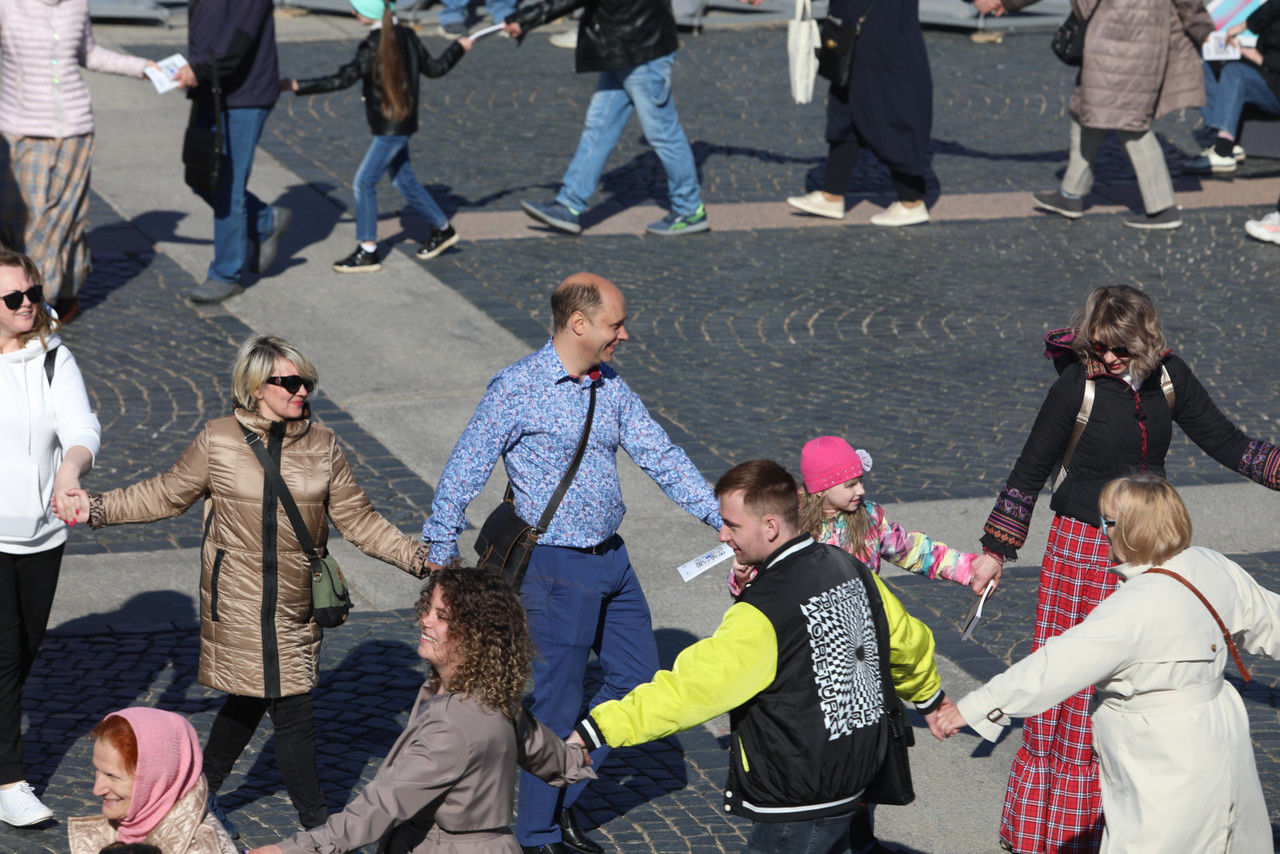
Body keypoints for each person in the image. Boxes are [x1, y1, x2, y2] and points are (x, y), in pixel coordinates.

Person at [57, 334, 431, 833]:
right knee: (291, 710)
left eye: (307, 382)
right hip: (235, 602)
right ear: (256, 387)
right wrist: (97, 507)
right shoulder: (219, 440)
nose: (303, 391)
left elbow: (360, 521)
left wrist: (421, 559)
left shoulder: (323, 447)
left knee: (250, 700)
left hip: (296, 605)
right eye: (291, 382)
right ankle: (320, 828)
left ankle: (187, 800)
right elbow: (166, 495)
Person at [966, 284, 1280, 853]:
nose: (1108, 358)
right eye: (1100, 346)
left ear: (1147, 340)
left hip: (1151, 543)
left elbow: (1229, 443)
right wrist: (996, 549)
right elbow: (1029, 471)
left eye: (1120, 348)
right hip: (1082, 546)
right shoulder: (1076, 387)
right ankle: (1059, 833)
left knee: (1141, 675)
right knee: (1073, 685)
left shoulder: (1169, 377)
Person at [420, 272, 722, 853]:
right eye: (616, 324)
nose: (625, 335)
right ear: (579, 323)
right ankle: (536, 833)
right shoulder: (517, 388)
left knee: (636, 680)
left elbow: (662, 455)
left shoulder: (610, 386)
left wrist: (721, 518)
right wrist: (440, 550)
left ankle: (559, 797)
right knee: (557, 699)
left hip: (614, 560)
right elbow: (464, 469)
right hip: (556, 569)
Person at [569, 459, 952, 854]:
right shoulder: (850, 566)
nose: (721, 536)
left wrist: (597, 729)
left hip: (798, 796)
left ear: (770, 526)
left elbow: (693, 688)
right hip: (858, 774)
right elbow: (908, 642)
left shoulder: (762, 611)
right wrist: (931, 699)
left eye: (731, 525)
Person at [938, 475, 1280, 852]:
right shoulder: (1211, 564)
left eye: (1108, 523)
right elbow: (1273, 621)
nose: (1104, 533)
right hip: (1223, 733)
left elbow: (1052, 667)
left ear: (1133, 529)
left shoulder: (1132, 607)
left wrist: (971, 709)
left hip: (1163, 754)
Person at [246, 568, 595, 854]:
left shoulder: (454, 725)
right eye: (428, 608)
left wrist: (292, 850)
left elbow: (382, 805)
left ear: (475, 636)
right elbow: (539, 746)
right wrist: (573, 759)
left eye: (440, 616)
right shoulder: (489, 696)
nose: (424, 621)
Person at [0, 249, 100, 828]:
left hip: (42, 535)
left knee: (24, 652)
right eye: (13, 298)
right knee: (3, 655)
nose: (27, 305)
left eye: (33, 293)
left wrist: (70, 471)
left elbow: (81, 426)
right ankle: (9, 778)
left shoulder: (52, 357)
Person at [976, 0, 1212, 230]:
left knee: (1129, 124)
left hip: (1118, 36)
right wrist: (1203, 29)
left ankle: (1163, 208)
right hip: (1140, 35)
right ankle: (1071, 193)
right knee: (1088, 110)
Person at [281, 0, 472, 274]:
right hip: (401, 123)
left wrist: (299, 85)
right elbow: (435, 68)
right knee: (403, 180)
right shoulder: (407, 35)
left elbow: (343, 78)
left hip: (390, 129)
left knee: (363, 182)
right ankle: (442, 229)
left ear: (368, 14)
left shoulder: (373, 44)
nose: (353, 12)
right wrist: (458, 48)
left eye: (356, 8)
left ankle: (368, 249)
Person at [0, 0, 157, 322]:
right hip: (21, 131)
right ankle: (45, 291)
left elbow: (89, 53)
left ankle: (37, 309)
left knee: (55, 223)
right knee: (21, 224)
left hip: (75, 132)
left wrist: (145, 68)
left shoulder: (76, 4)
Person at [504, 0, 709, 237]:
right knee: (599, 127)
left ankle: (690, 209)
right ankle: (570, 203)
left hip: (642, 48)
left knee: (663, 133)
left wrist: (529, 18)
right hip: (622, 45)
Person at [732, 436, 976, 595]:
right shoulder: (787, 525)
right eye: (850, 485)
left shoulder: (869, 518)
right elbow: (761, 584)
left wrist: (967, 569)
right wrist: (741, 580)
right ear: (821, 489)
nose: (861, 490)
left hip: (862, 626)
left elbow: (913, 551)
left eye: (860, 482)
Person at [175, 0, 292, 304]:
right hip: (209, 89)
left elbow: (237, 40)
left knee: (228, 186)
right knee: (200, 176)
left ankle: (226, 274)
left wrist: (197, 70)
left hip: (245, 97)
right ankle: (266, 220)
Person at [785, 0, 934, 227]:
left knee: (888, 106)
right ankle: (832, 193)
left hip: (880, 23)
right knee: (844, 101)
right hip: (852, 18)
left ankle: (910, 201)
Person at [67, 707, 237, 853]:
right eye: (98, 771)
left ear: (157, 780)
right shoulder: (119, 826)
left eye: (112, 776)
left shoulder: (202, 847)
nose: (96, 790)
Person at [1187, 0, 1280, 174]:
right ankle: (1220, 136)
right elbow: (1268, 11)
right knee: (1208, 62)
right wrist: (1243, 44)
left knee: (1235, 73)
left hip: (1274, 82)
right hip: (1268, 73)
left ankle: (1223, 150)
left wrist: (1261, 59)